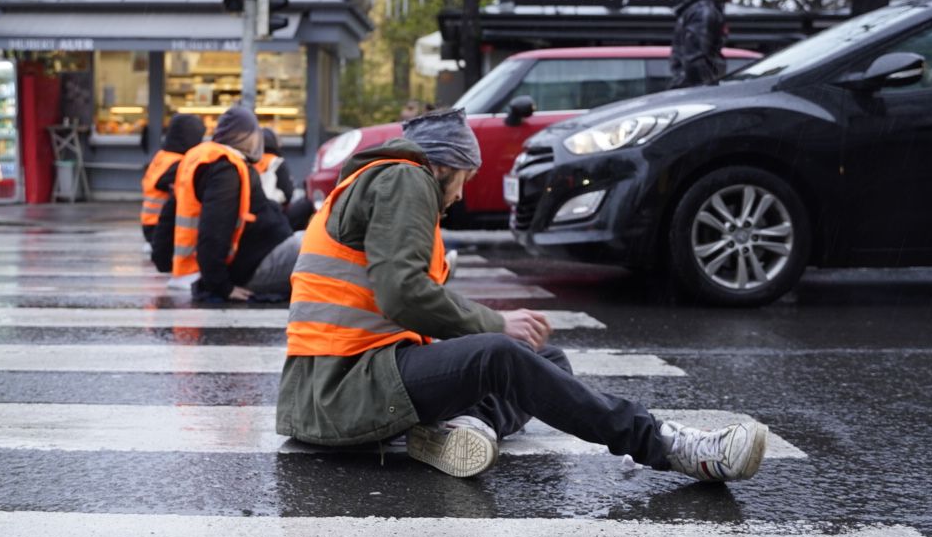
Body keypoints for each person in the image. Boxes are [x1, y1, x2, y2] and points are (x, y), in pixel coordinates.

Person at [276, 107, 767, 481]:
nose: (462, 195)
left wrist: (499, 333)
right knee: (501, 353)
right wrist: (496, 324)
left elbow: (403, 302)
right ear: (446, 166)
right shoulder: (407, 176)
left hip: (356, 379)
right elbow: (402, 295)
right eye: (466, 178)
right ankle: (666, 444)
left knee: (545, 358)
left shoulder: (389, 184)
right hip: (342, 389)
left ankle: (463, 427)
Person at [170, 104, 303, 303]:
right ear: (248, 137)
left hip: (258, 258)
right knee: (324, 246)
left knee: (314, 238)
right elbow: (214, 229)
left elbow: (170, 212)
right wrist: (222, 287)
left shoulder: (212, 161)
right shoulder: (226, 170)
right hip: (254, 268)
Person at [669, 0, 746, 89]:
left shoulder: (702, 9)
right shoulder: (705, 12)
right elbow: (695, 60)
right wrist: (710, 92)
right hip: (697, 96)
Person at [140, 114, 205, 245]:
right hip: (161, 225)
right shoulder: (178, 163)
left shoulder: (163, 156)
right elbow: (164, 184)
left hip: (150, 222)